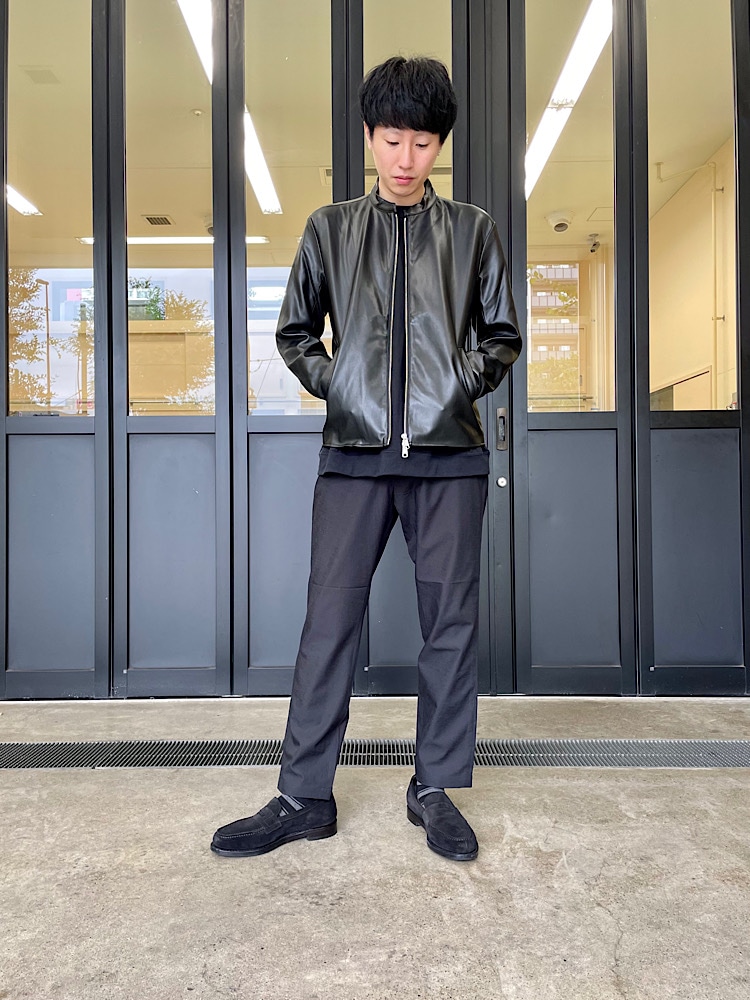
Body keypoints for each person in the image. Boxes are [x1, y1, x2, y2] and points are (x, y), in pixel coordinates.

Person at [211, 56, 521, 862]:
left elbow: (501, 335)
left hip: (449, 456)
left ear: (439, 145)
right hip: (354, 456)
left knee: (449, 626)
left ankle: (435, 787)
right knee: (329, 622)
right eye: (391, 138)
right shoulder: (330, 228)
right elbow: (294, 333)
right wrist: (342, 386)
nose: (405, 157)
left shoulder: (474, 230)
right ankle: (303, 795)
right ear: (368, 136)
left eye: (422, 142)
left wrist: (455, 384)